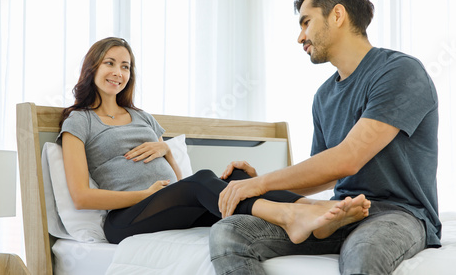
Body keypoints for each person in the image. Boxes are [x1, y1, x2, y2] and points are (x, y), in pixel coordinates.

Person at [210, 0, 441, 275]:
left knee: (364, 253)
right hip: (337, 213)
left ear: (337, 15)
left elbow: (348, 159)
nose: (300, 36)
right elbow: (323, 173)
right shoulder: (324, 95)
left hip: (398, 212)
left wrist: (260, 184)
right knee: (229, 233)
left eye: (306, 22)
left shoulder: (399, 71)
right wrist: (266, 182)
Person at [57, 37, 371, 245]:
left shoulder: (142, 118)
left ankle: (319, 209)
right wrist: (145, 194)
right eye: (110, 63)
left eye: (125, 66)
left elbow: (178, 180)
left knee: (238, 180)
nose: (118, 72)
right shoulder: (79, 120)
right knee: (203, 181)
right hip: (126, 219)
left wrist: (166, 148)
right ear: (93, 67)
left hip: (168, 205)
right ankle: (291, 216)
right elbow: (82, 197)